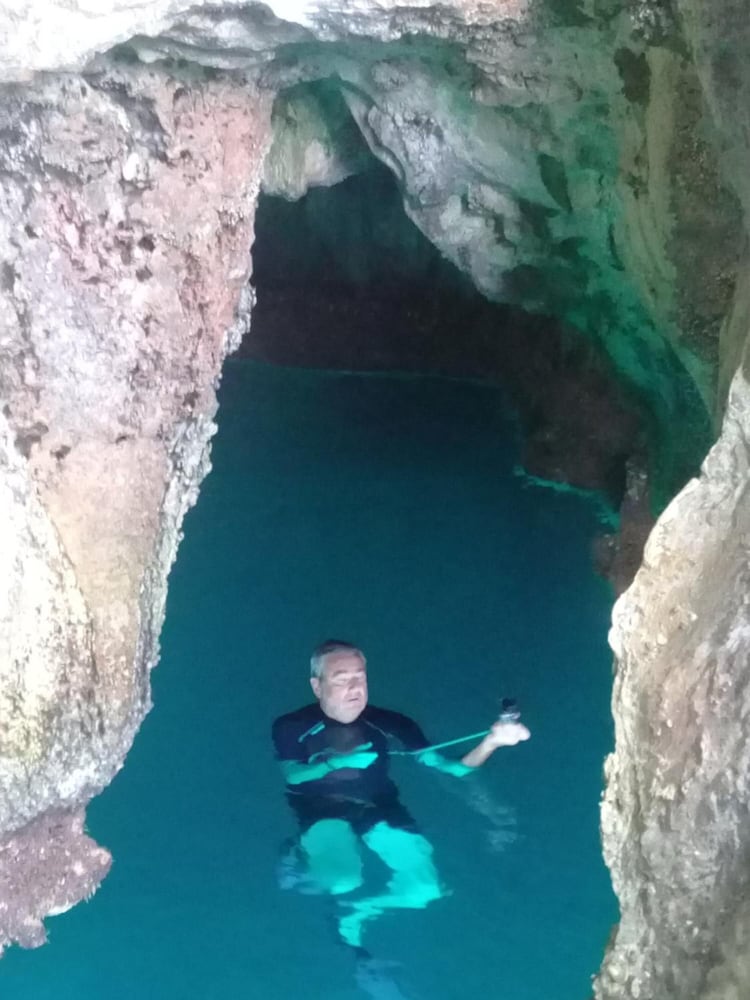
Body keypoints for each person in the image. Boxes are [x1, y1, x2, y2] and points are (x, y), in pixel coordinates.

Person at [271, 639, 530, 950]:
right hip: (320, 809)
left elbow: (452, 768)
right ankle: (298, 853)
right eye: (341, 679)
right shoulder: (292, 726)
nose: (354, 687)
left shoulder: (392, 723)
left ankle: (359, 910)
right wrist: (338, 763)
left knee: (425, 889)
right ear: (317, 686)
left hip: (378, 806)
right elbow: (293, 774)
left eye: (360, 677)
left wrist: (492, 743)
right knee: (343, 881)